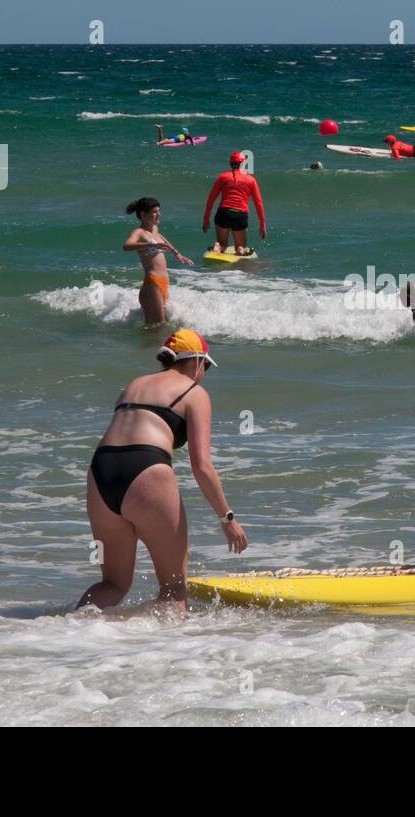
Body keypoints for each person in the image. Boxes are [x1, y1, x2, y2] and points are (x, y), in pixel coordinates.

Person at [79, 329, 248, 611]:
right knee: (173, 586)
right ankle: (169, 651)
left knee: (113, 585)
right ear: (194, 361)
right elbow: (202, 466)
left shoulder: (134, 384)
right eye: (205, 365)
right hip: (146, 468)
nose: (204, 372)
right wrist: (227, 518)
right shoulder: (194, 392)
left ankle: (68, 631)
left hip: (101, 471)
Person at [124, 197, 193, 327]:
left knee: (159, 327)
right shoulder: (139, 232)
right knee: (157, 328)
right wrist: (148, 245)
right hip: (152, 284)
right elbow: (127, 246)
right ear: (143, 214)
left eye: (158, 211)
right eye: (155, 212)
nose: (159, 214)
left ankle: (146, 347)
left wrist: (176, 253)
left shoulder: (155, 229)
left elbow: (161, 238)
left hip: (163, 282)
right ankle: (145, 347)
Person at [202, 152, 266, 256]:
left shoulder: (223, 177)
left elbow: (211, 199)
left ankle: (218, 246)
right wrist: (262, 224)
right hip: (240, 214)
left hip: (223, 213)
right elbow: (258, 203)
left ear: (230, 163)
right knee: (240, 246)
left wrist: (206, 220)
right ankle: (240, 250)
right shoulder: (251, 179)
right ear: (242, 163)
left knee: (222, 243)